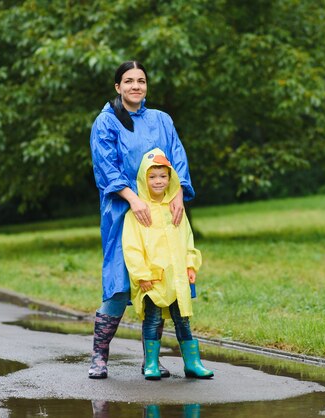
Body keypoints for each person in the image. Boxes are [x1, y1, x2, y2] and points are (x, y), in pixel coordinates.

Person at [88, 61, 195, 379]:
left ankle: (152, 359)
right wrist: (134, 199)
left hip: (160, 214)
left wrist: (178, 192)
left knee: (159, 281)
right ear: (117, 87)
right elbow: (106, 165)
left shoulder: (161, 120)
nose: (136, 86)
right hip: (123, 211)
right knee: (120, 284)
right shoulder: (106, 122)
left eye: (142, 81)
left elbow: (176, 156)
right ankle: (99, 356)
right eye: (129, 81)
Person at [122, 148, 213, 380]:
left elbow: (187, 238)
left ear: (170, 178)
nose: (158, 181)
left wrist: (191, 264)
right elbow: (131, 247)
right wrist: (142, 274)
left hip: (178, 276)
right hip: (153, 278)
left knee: (183, 319)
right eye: (152, 177)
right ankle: (151, 363)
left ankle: (192, 363)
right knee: (152, 320)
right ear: (144, 178)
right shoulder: (137, 213)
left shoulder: (176, 208)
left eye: (163, 176)